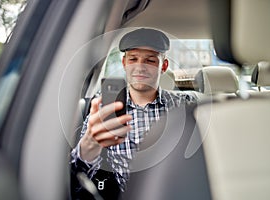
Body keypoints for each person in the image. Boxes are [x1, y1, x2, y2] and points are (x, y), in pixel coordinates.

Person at [70, 28, 196, 199]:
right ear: (124, 63)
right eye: (133, 59)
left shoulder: (185, 105)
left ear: (163, 66)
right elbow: (79, 181)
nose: (140, 67)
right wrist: (88, 147)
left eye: (150, 60)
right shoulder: (102, 108)